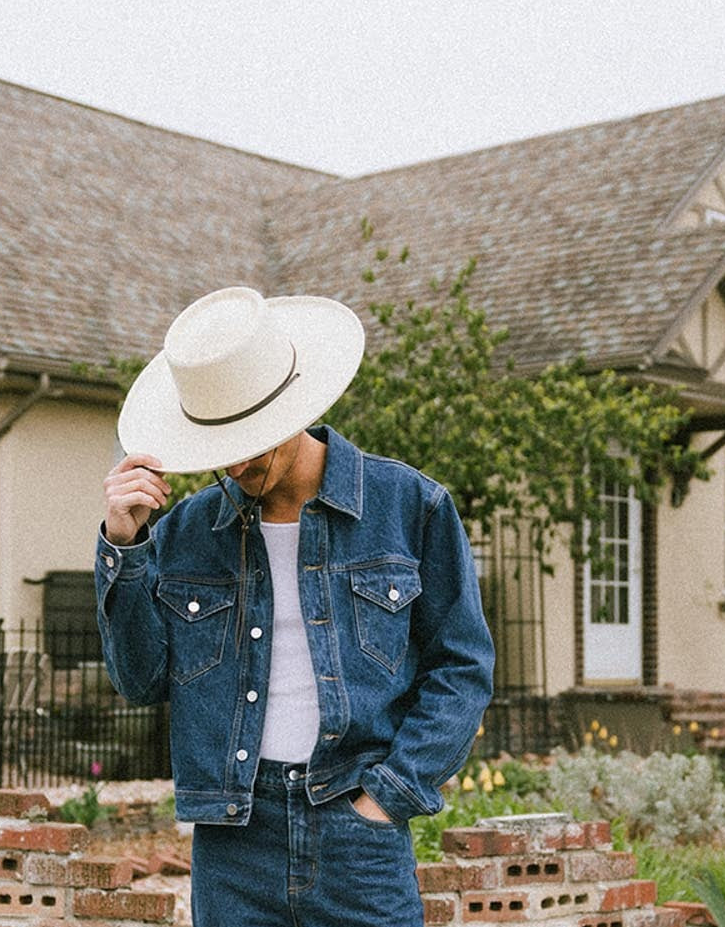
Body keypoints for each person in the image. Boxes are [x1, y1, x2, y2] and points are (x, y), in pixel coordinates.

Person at [96, 285, 494, 927]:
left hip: (356, 830)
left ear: (294, 406)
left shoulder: (407, 507)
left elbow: (462, 668)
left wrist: (387, 798)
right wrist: (125, 544)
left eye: (253, 440)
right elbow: (138, 680)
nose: (240, 463)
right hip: (234, 840)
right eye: (221, 450)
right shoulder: (183, 533)